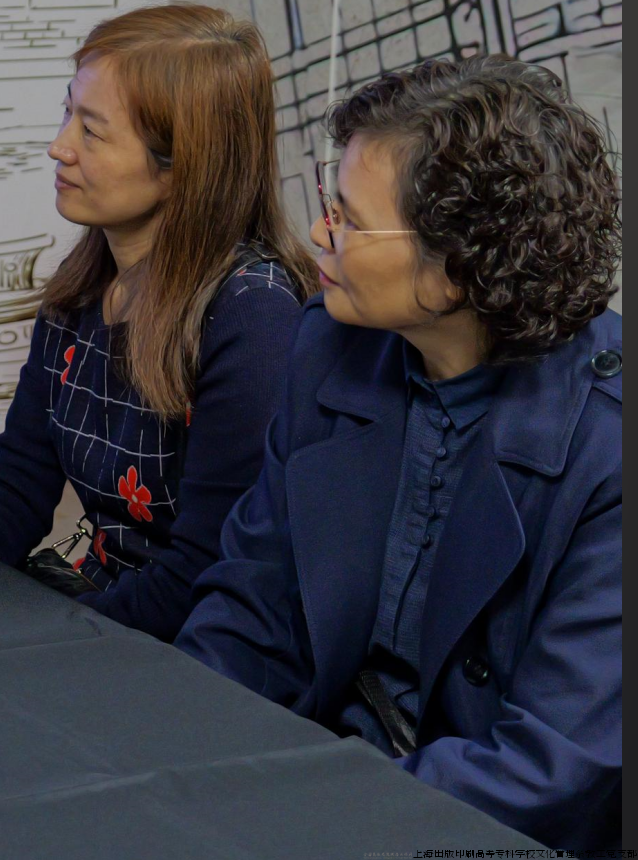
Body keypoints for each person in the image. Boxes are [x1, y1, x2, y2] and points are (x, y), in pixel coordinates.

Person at [177, 56, 621, 851]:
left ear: (455, 268)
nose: (319, 234)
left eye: (348, 218)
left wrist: (300, 816)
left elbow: (546, 771)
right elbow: (251, 606)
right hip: (314, 779)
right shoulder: (325, 345)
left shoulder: (609, 449)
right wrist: (172, 759)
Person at [0, 4, 314, 640]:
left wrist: (29, 641)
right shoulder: (83, 284)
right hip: (100, 613)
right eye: (68, 112)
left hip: (189, 647)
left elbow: (203, 575)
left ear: (182, 166)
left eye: (92, 132)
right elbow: (19, 482)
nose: (59, 146)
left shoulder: (253, 317)